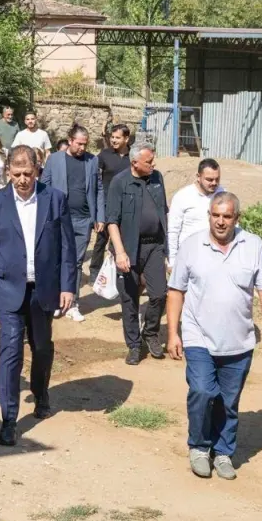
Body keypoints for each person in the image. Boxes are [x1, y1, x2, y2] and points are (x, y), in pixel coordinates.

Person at [168, 192, 262, 481]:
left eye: (227, 216)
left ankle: (224, 452)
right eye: (215, 215)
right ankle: (199, 447)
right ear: (209, 215)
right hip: (198, 336)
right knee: (203, 391)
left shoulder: (252, 246)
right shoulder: (192, 246)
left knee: (228, 401)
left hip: (239, 340)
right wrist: (172, 333)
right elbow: (176, 291)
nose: (220, 221)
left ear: (236, 218)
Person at [0, 145, 76, 447]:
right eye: (16, 174)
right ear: (7, 172)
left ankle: (41, 392)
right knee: (10, 351)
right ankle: (8, 419)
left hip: (43, 288)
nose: (22, 180)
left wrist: (68, 286)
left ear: (37, 170)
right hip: (6, 288)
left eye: (27, 174)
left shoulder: (55, 199)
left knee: (42, 347)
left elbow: (68, 248)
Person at [105, 141, 169, 366]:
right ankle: (133, 345)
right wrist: (120, 252)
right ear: (134, 162)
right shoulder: (119, 182)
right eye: (148, 161)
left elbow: (164, 212)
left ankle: (150, 333)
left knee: (160, 294)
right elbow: (112, 221)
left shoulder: (157, 178)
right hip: (129, 248)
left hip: (154, 247)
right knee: (129, 298)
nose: (153, 164)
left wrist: (168, 248)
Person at [39, 124, 104, 322]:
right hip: (59, 219)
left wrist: (99, 216)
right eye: (79, 144)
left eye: (85, 144)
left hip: (84, 219)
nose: (82, 148)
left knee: (76, 263)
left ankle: (72, 303)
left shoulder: (92, 161)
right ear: (70, 140)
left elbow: (99, 189)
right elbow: (44, 186)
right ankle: (57, 300)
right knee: (57, 260)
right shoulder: (55, 160)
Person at [88, 123, 133, 281]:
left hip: (128, 204)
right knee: (102, 239)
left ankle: (120, 270)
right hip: (107, 204)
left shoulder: (133, 156)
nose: (113, 140)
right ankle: (95, 270)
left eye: (117, 137)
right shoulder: (104, 155)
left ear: (126, 139)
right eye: (112, 137)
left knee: (123, 239)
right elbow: (93, 176)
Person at [167, 158, 225, 268]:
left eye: (217, 179)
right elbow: (173, 230)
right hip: (189, 257)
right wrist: (172, 260)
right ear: (198, 177)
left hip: (216, 257)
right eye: (209, 179)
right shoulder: (183, 196)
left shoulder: (222, 194)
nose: (214, 183)